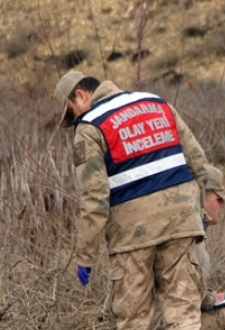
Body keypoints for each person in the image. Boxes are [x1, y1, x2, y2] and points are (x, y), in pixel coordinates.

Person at [54, 70, 212, 329]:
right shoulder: (157, 103)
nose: (74, 121)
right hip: (181, 222)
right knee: (183, 312)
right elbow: (198, 162)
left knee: (134, 318)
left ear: (80, 95)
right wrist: (201, 211)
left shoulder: (90, 126)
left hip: (132, 235)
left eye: (71, 113)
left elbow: (94, 198)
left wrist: (86, 257)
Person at [150, 164, 225, 330]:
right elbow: (180, 292)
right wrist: (210, 298)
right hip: (170, 321)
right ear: (201, 197)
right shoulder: (185, 232)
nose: (222, 206)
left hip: (173, 316)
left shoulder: (187, 225)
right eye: (219, 199)